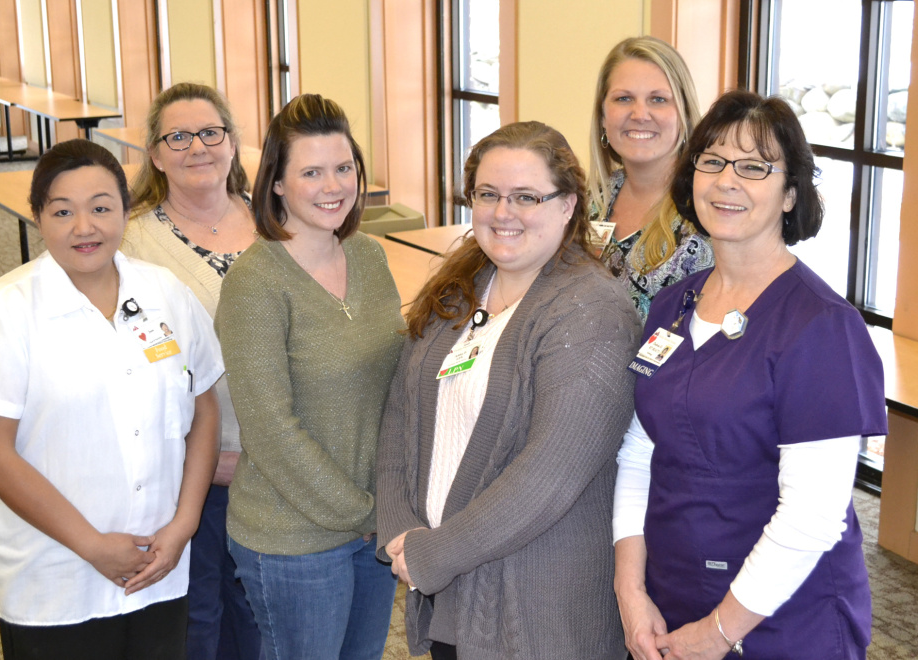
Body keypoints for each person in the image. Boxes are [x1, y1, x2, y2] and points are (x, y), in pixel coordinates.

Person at [613, 90, 887, 660]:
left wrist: (720, 631)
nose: (726, 181)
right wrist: (630, 589)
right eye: (711, 162)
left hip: (783, 620)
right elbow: (639, 453)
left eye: (755, 167)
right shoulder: (672, 306)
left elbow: (813, 515)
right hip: (672, 599)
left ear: (790, 194)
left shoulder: (821, 328)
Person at [0, 139, 222, 660]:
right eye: (63, 211)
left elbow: (204, 408)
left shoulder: (167, 294)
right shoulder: (4, 312)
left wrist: (184, 524)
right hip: (55, 578)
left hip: (157, 564)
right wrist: (92, 545)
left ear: (124, 210)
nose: (84, 227)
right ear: (38, 217)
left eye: (100, 208)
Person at [377, 121, 641, 659]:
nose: (504, 213)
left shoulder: (592, 311)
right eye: (488, 194)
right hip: (450, 588)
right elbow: (401, 413)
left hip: (537, 611)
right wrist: (400, 529)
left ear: (567, 205)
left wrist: (434, 554)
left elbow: (548, 475)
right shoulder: (459, 287)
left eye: (527, 197)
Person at [215, 94, 404, 660]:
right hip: (291, 538)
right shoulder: (255, 282)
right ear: (276, 183)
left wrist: (385, 505)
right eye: (312, 171)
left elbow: (395, 383)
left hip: (372, 523)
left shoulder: (369, 256)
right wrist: (362, 512)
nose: (333, 185)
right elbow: (271, 429)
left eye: (343, 167)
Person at [120, 81, 261, 660]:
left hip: (274, 471)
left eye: (210, 132)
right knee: (197, 617)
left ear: (232, 143)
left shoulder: (277, 226)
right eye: (177, 136)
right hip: (185, 472)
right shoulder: (130, 243)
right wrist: (200, 455)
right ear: (155, 154)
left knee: (260, 613)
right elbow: (127, 372)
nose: (196, 147)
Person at [588, 36, 714, 322]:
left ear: (683, 113)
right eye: (624, 98)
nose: (640, 114)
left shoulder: (709, 214)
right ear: (603, 116)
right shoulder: (586, 202)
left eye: (658, 99)